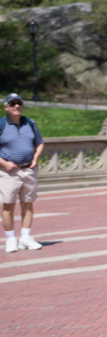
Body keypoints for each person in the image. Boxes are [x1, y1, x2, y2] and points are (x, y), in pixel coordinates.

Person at [1, 94, 44, 253]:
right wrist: (4, 163)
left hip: (28, 170)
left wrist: (35, 158)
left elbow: (40, 143)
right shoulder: (1, 124)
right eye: (12, 104)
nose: (17, 106)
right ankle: (11, 239)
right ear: (6, 107)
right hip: (9, 172)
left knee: (27, 203)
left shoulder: (30, 123)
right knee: (8, 205)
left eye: (19, 103)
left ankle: (25, 238)